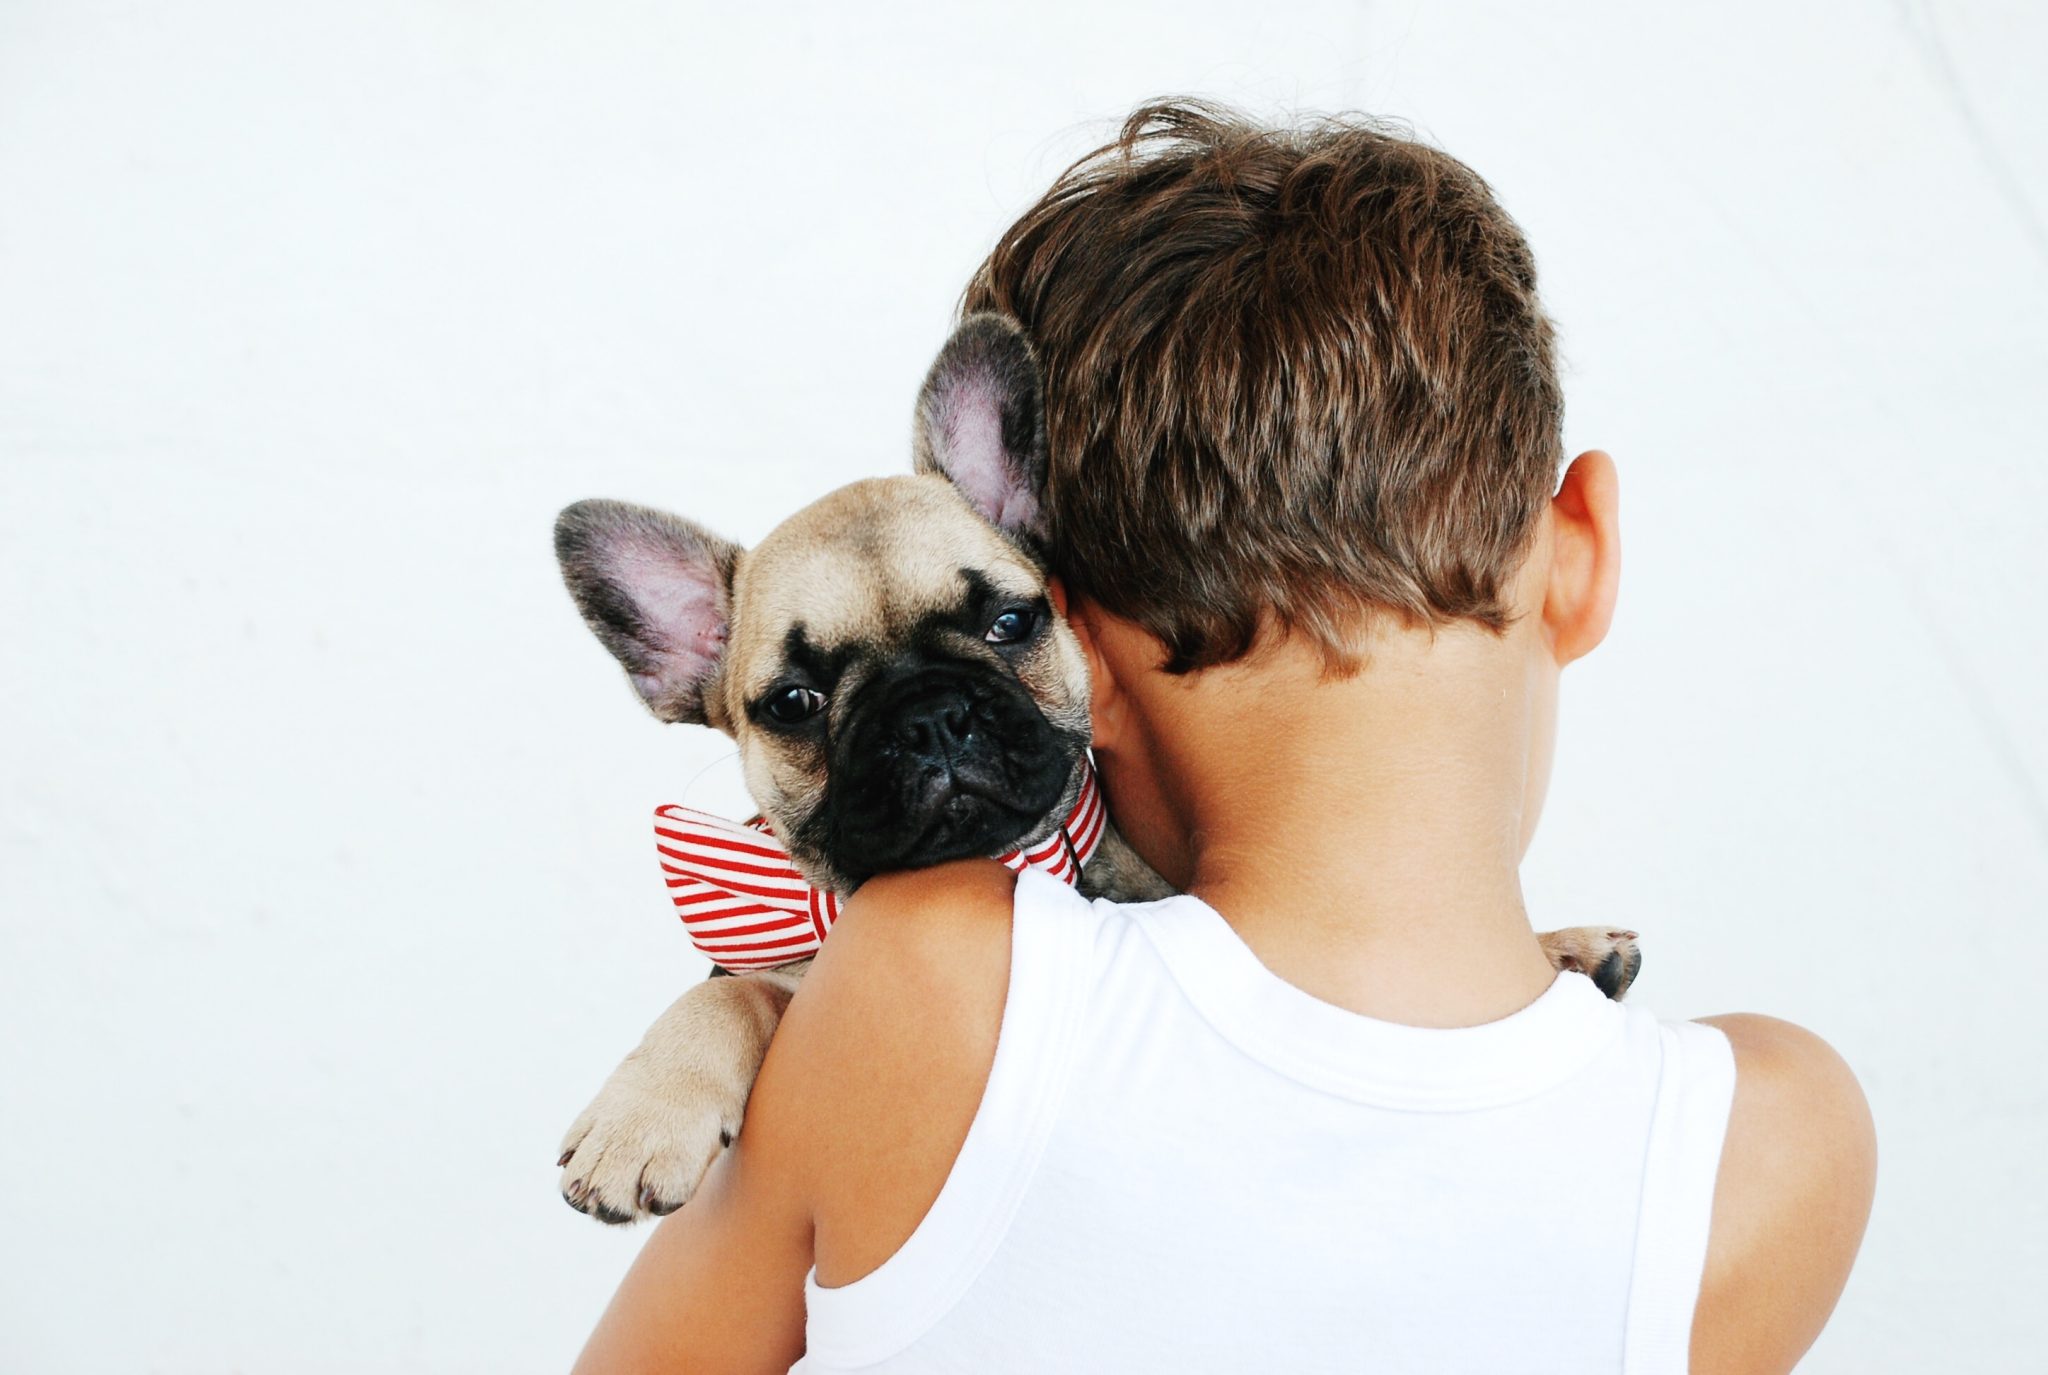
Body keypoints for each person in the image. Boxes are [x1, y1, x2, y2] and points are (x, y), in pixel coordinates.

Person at [573, 101, 1875, 1374]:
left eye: (1000, 630)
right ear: (1582, 553)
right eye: (804, 701)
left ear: (1076, 624)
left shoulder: (922, 981)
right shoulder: (1776, 1141)